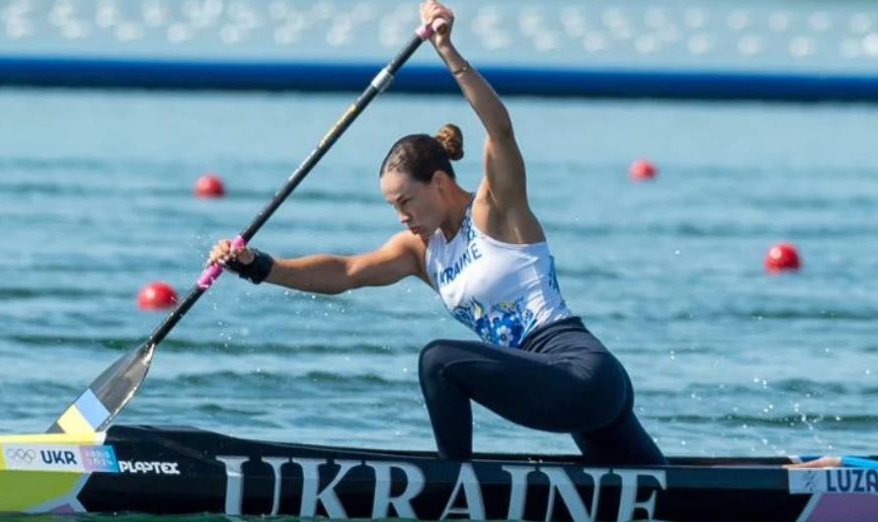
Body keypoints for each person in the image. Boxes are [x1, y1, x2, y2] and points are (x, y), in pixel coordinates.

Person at [207, 0, 666, 466]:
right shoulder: (421, 251)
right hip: (560, 390)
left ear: (441, 183)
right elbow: (345, 272)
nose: (401, 217)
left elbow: (500, 131)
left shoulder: (496, 210)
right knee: (668, 494)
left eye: (405, 202)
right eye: (393, 207)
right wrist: (257, 266)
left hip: (581, 373)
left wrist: (447, 50)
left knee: (438, 360)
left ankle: (453, 482)